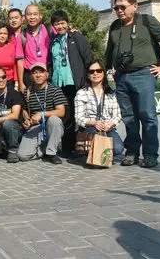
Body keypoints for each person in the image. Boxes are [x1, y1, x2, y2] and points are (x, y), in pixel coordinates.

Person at [104, 0, 160, 168]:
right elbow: (109, 52)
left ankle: (150, 154)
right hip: (121, 76)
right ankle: (132, 152)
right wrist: (104, 72)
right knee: (129, 117)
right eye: (116, 8)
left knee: (147, 116)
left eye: (123, 7)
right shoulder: (115, 26)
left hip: (144, 74)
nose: (119, 11)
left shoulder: (147, 22)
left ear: (135, 6)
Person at [49, 10, 92, 156]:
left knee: (77, 114)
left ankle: (80, 146)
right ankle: (67, 147)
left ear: (67, 23)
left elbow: (88, 59)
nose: (60, 26)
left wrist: (89, 80)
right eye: (57, 23)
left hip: (75, 83)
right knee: (65, 115)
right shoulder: (53, 41)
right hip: (59, 84)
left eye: (62, 23)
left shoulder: (76, 37)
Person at [17, 63, 67, 164]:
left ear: (47, 75)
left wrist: (42, 114)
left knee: (54, 119)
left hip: (51, 127)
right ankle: (46, 148)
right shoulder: (27, 91)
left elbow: (61, 112)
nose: (38, 75)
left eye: (41, 72)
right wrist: (26, 119)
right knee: (22, 156)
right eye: (34, 73)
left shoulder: (55, 90)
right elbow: (24, 110)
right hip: (35, 126)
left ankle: (52, 153)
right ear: (31, 76)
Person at [74, 60, 123, 164]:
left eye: (98, 70)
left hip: (107, 127)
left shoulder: (111, 93)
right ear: (88, 75)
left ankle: (100, 157)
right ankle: (92, 155)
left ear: (103, 73)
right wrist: (94, 123)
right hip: (89, 128)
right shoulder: (81, 93)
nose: (95, 73)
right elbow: (79, 118)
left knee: (118, 148)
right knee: (96, 144)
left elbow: (117, 115)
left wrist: (109, 124)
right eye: (92, 72)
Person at [15, 5, 53, 91]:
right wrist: (21, 83)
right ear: (24, 17)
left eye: (35, 14)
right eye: (29, 14)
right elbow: (20, 60)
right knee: (32, 102)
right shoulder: (22, 36)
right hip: (30, 75)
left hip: (47, 72)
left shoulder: (49, 29)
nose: (32, 17)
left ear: (40, 16)